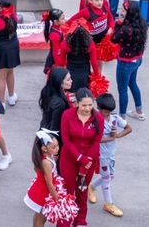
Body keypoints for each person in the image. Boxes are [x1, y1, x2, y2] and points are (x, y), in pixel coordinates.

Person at [60, 88, 104, 226]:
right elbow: (66, 140)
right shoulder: (67, 115)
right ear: (77, 103)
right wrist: (80, 158)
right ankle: (65, 220)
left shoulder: (99, 118)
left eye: (90, 105)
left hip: (89, 161)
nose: (88, 108)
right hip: (69, 159)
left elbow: (96, 142)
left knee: (82, 190)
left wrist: (87, 162)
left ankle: (80, 220)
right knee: (68, 191)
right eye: (84, 105)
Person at [88, 93, 131, 217]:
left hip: (111, 154)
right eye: (105, 112)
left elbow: (128, 128)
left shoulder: (115, 117)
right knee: (107, 178)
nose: (107, 115)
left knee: (111, 176)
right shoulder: (94, 120)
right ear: (98, 108)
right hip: (101, 155)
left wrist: (117, 135)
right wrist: (112, 138)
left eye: (109, 112)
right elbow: (95, 139)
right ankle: (108, 203)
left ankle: (91, 187)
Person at [24, 129, 67, 227]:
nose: (57, 148)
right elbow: (49, 182)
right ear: (44, 148)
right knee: (41, 219)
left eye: (57, 145)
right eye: (53, 147)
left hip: (40, 188)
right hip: (44, 193)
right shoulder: (46, 162)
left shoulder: (46, 157)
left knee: (37, 216)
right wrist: (56, 197)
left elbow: (36, 169)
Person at [112, 2, 147, 120]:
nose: (121, 12)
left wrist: (119, 23)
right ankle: (139, 111)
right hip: (137, 59)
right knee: (133, 83)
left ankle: (122, 117)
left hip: (125, 63)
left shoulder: (126, 29)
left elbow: (114, 38)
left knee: (122, 89)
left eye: (124, 10)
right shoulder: (141, 23)